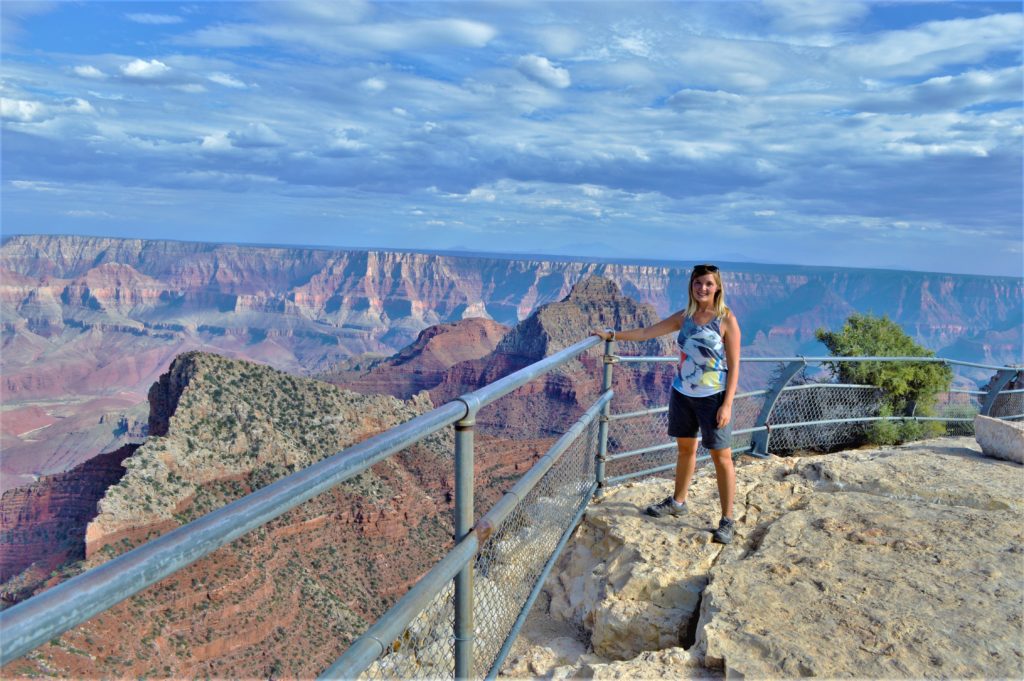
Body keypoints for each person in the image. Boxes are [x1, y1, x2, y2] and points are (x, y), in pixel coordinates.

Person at [593, 263, 741, 544]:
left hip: (713, 398)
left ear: (718, 286)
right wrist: (613, 335)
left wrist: (728, 404)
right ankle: (678, 502)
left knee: (721, 457)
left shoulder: (726, 319)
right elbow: (648, 332)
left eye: (708, 284)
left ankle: (727, 520)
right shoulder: (685, 317)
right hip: (682, 394)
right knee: (686, 450)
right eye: (698, 283)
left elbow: (735, 366)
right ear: (692, 286)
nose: (703, 288)